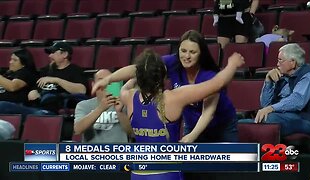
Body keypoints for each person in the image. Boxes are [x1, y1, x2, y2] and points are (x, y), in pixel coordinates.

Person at [92, 49, 244, 180]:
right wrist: (232, 64)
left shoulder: (128, 96)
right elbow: (216, 84)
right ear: (164, 76)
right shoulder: (173, 98)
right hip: (166, 172)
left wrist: (110, 79)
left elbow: (127, 84)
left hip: (138, 172)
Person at [239, 43, 310, 137]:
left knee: (270, 118)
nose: (277, 64)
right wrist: (268, 82)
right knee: (241, 123)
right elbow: (265, 105)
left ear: (293, 62)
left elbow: (297, 100)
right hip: (283, 117)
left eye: (280, 60)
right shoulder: (282, 77)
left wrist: (271, 108)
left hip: (309, 120)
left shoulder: (308, 75)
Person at [0, 42, 87, 121]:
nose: (50, 56)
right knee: (3, 106)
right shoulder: (46, 70)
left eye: (53, 53)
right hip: (34, 107)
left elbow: (81, 90)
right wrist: (33, 91)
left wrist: (57, 80)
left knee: (3, 106)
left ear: (64, 54)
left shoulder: (75, 70)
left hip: (52, 110)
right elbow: (34, 87)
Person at [73, 69, 128, 143]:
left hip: (119, 151)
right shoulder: (84, 105)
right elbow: (78, 130)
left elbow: (132, 133)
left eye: (109, 80)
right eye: (101, 80)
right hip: (92, 151)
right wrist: (101, 108)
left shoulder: (124, 103)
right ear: (93, 84)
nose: (105, 83)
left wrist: (120, 112)